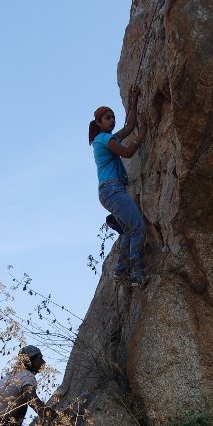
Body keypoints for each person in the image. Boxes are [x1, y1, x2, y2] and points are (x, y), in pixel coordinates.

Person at [89, 85, 148, 287]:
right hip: (112, 189)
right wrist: (141, 136)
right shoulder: (104, 139)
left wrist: (133, 101)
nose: (112, 120)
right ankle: (137, 275)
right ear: (98, 123)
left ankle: (120, 272)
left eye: (113, 117)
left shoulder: (105, 138)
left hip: (109, 191)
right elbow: (127, 152)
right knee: (138, 225)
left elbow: (129, 126)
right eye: (108, 118)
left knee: (129, 230)